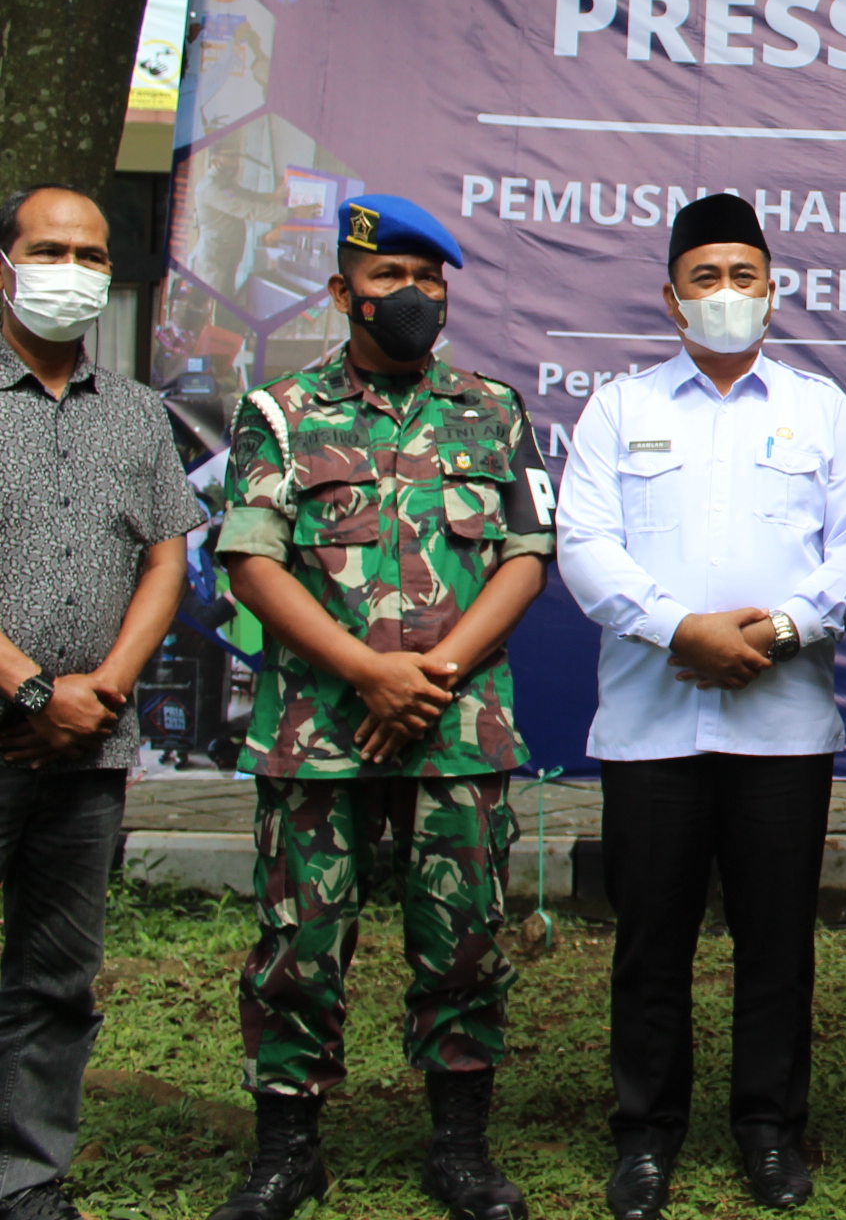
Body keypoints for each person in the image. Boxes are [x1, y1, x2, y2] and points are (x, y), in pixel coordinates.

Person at [210, 194, 554, 1220]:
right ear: (342, 293)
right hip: (319, 731)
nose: (414, 296)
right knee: (298, 943)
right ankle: (288, 1153)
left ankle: (459, 1152)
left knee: (464, 941)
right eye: (391, 279)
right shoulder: (281, 412)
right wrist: (369, 672)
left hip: (456, 730)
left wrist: (430, 671)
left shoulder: (494, 410)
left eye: (430, 279)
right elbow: (251, 562)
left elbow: (527, 556)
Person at [554, 193, 846, 1220]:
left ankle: (768, 1131)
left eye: (745, 276)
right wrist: (675, 626)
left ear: (772, 293)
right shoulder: (622, 409)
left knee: (777, 940)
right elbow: (584, 544)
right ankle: (645, 1138)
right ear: (671, 296)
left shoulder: (820, 410)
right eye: (707, 278)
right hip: (655, 727)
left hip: (781, 727)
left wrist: (779, 628)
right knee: (652, 941)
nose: (727, 295)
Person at [0, 186, 204, 1220]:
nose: (69, 270)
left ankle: (28, 1181)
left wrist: (103, 687)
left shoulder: (133, 409)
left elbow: (167, 555)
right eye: (48, 249)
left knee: (56, 976)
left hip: (88, 749)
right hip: (12, 726)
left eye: (88, 254)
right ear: (5, 265)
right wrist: (31, 687)